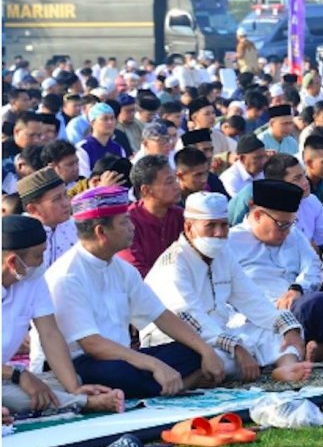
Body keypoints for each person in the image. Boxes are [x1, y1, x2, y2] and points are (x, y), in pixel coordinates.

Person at [33, 186, 225, 398]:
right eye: (125, 222)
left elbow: (162, 315)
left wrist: (206, 350)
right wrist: (153, 365)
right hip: (80, 363)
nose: (132, 227)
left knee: (191, 351)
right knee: (119, 374)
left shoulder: (122, 269)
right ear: (101, 232)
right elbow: (92, 345)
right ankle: (178, 384)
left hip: (124, 356)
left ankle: (166, 385)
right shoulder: (67, 276)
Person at [142, 193, 312, 383]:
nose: (219, 233)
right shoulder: (173, 263)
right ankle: (198, 379)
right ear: (189, 227)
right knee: (216, 357)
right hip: (180, 342)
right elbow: (189, 320)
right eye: (210, 226)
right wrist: (236, 347)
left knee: (278, 328)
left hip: (220, 333)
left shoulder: (223, 254)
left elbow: (253, 300)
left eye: (223, 225)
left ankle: (287, 368)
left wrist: (288, 328)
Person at [230, 180, 323, 361]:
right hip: (273, 316)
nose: (287, 231)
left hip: (303, 302)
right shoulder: (231, 242)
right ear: (257, 215)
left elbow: (313, 265)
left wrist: (298, 287)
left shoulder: (293, 233)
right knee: (318, 302)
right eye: (281, 225)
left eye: (291, 223)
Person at [3, 216, 125, 418]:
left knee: (66, 379)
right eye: (38, 256)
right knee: (15, 396)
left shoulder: (32, 280)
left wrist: (74, 386)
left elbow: (50, 333)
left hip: (7, 377)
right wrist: (18, 374)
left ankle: (72, 397)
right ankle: (86, 403)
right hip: (8, 378)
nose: (43, 261)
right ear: (13, 262)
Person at [117, 154, 184, 277]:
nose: (177, 186)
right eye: (169, 182)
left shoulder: (180, 216)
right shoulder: (127, 222)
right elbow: (136, 272)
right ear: (146, 190)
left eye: (175, 179)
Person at [16, 168, 75, 271]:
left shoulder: (75, 226)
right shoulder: (20, 238)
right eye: (57, 199)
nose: (66, 203)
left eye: (65, 194)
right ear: (33, 209)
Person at [75, 102, 127, 178]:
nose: (110, 122)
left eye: (112, 118)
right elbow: (84, 178)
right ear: (92, 122)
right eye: (105, 119)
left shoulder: (118, 148)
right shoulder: (82, 149)